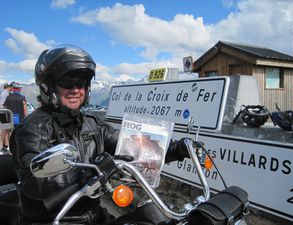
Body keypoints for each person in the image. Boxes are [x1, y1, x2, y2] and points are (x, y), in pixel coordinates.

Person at [9, 45, 189, 224]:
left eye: (81, 83)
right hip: (55, 219)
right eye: (66, 82)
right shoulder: (31, 129)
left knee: (151, 218)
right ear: (48, 86)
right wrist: (85, 174)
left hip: (94, 215)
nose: (75, 90)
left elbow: (132, 146)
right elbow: (34, 181)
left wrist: (177, 149)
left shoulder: (92, 124)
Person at [0, 82, 13, 151]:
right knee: (5, 128)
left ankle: (5, 145)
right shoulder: (5, 93)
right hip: (4, 112)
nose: (12, 88)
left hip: (4, 112)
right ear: (9, 86)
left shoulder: (4, 92)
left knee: (7, 128)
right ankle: (1, 144)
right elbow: (2, 103)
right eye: (11, 86)